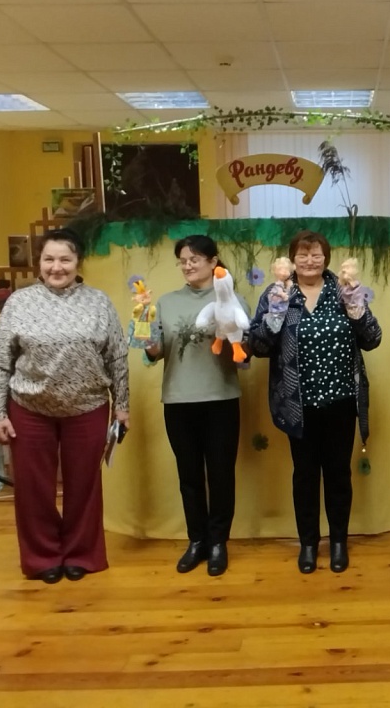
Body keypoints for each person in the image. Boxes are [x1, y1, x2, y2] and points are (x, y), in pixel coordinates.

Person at [0, 228, 129, 584]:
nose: (56, 267)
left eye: (65, 259)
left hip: (88, 407)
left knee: (85, 486)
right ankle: (42, 557)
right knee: (34, 489)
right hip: (29, 408)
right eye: (49, 259)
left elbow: (117, 357)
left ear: (78, 262)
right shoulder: (19, 302)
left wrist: (122, 406)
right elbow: (0, 361)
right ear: (39, 262)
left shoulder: (99, 302)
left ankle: (82, 554)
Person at [249, 230, 382, 574]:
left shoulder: (343, 290)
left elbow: (373, 339)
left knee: (338, 474)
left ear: (327, 258)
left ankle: (338, 542)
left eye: (317, 254)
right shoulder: (279, 292)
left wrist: (356, 307)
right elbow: (257, 346)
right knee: (305, 476)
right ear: (292, 260)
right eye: (303, 255)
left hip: (341, 401)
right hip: (298, 403)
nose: (310, 260)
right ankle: (308, 544)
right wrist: (274, 315)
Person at [144, 235, 249, 577]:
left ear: (213, 261)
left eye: (195, 259)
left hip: (221, 399)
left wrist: (235, 336)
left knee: (220, 475)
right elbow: (156, 352)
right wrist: (146, 339)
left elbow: (245, 351)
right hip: (178, 400)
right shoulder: (166, 302)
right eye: (183, 260)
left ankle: (218, 542)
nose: (188, 265)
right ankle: (197, 540)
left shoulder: (231, 298)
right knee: (188, 476)